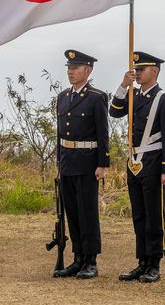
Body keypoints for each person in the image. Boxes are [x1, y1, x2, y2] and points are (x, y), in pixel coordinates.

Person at [110, 51, 165, 283]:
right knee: (139, 214)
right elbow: (114, 112)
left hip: (154, 160)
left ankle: (154, 264)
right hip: (134, 161)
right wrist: (123, 85)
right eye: (136, 70)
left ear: (155, 71)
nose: (137, 73)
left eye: (141, 70)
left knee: (153, 215)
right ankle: (142, 261)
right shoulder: (133, 96)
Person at [52, 49, 110, 279]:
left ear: (88, 70)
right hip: (67, 161)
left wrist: (102, 163)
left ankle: (90, 260)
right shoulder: (64, 96)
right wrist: (59, 160)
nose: (71, 72)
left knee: (87, 212)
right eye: (69, 68)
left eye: (75, 68)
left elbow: (102, 132)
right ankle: (77, 258)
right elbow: (60, 134)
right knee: (72, 212)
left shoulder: (96, 97)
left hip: (87, 161)